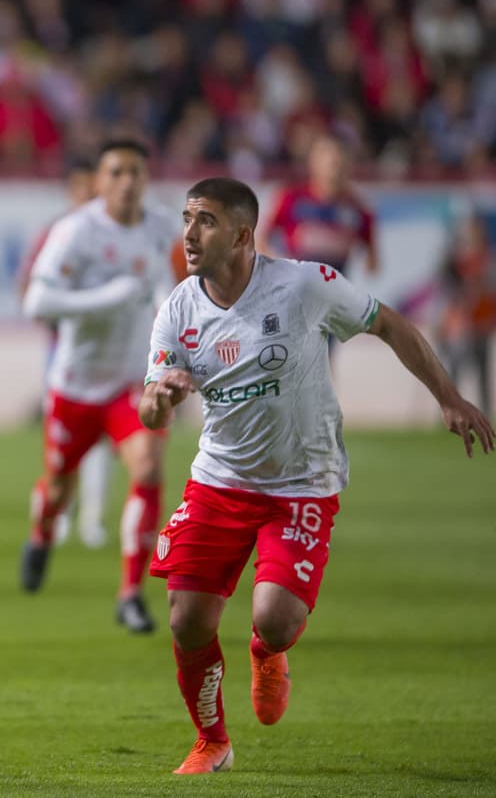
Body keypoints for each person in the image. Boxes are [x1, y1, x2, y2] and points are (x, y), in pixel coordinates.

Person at [139, 177, 493, 775]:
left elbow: (389, 325)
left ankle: (267, 652)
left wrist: (449, 396)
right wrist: (162, 398)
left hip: (301, 482)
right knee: (186, 620)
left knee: (276, 619)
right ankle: (213, 742)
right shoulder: (178, 307)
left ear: (243, 234)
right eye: (186, 219)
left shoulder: (304, 285)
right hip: (219, 480)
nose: (190, 234)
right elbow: (148, 406)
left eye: (205, 221)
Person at [19, 138, 180, 634]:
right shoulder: (75, 231)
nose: (127, 181)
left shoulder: (162, 227)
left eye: (136, 171)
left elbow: (168, 286)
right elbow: (36, 303)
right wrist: (109, 296)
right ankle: (42, 531)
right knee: (59, 487)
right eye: (117, 172)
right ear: (99, 181)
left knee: (148, 467)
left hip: (131, 382)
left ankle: (131, 593)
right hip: (75, 385)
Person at [19, 158, 114, 549]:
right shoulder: (56, 234)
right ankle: (59, 513)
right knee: (64, 439)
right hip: (65, 353)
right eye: (81, 189)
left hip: (110, 352)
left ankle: (93, 518)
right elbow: (29, 290)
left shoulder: (116, 237)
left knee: (103, 439)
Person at [260, 134, 378, 276]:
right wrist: (276, 266)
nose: (334, 167)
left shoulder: (357, 207)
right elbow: (261, 239)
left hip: (335, 291)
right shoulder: (291, 198)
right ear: (313, 163)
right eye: (329, 161)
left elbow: (372, 262)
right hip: (296, 289)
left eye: (338, 161)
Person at [438, 212, 496, 416]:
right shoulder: (453, 261)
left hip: (480, 324)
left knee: (483, 372)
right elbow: (446, 291)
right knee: (455, 370)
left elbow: (489, 294)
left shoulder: (486, 261)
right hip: (460, 326)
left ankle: (485, 413)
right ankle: (450, 411)